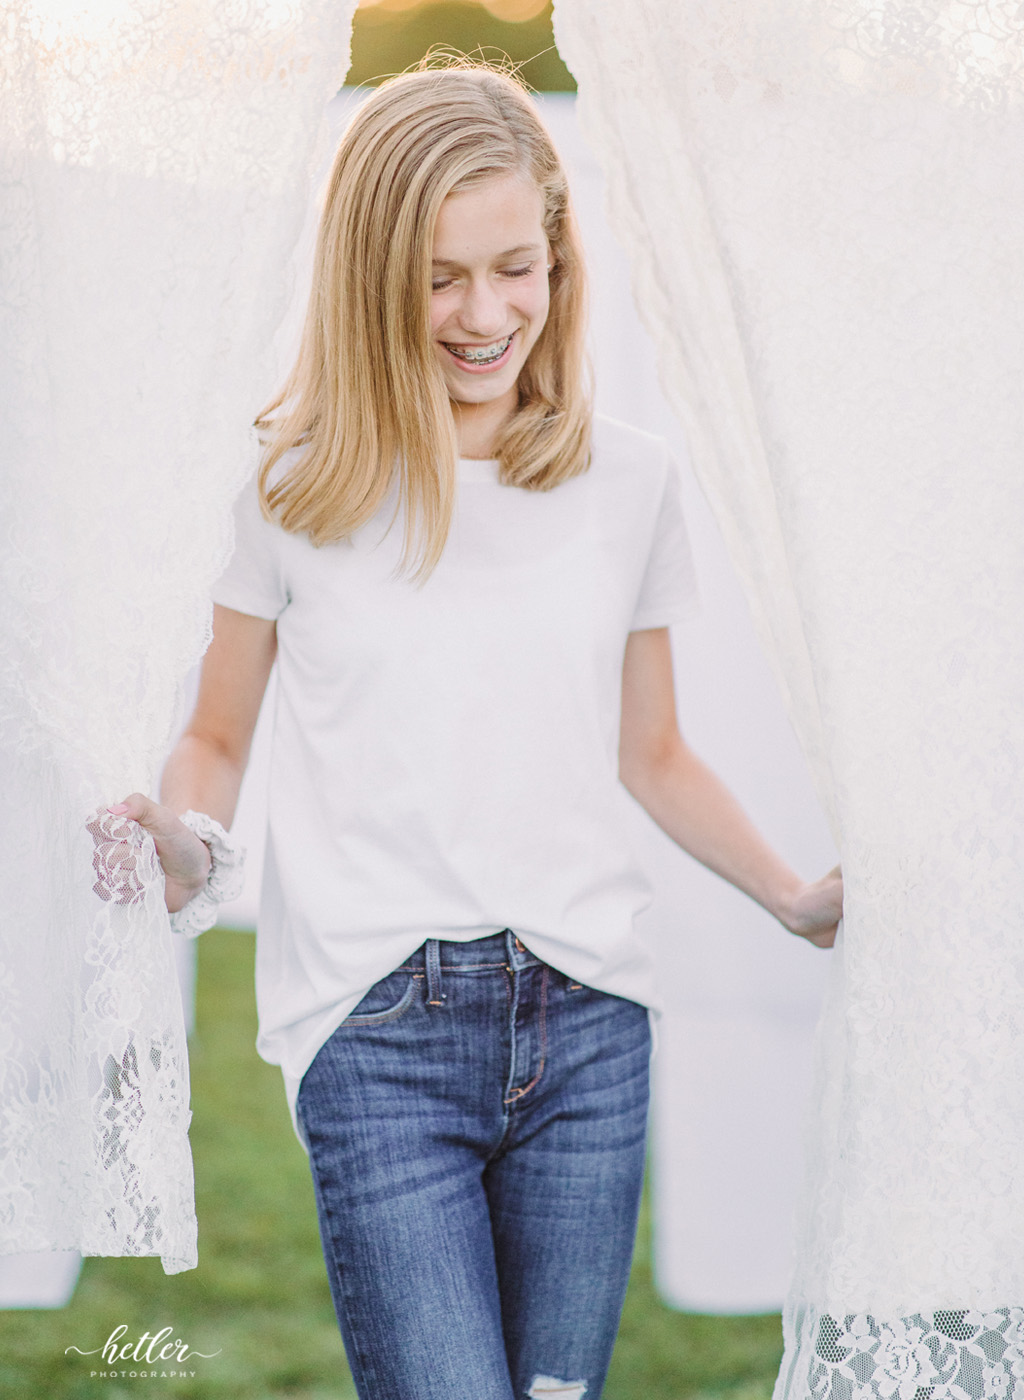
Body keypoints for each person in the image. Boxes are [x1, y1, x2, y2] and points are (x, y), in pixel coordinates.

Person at [109, 62, 842, 1400]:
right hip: (377, 1033)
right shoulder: (290, 487)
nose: (485, 313)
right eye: (441, 276)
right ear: (369, 274)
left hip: (592, 1025)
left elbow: (654, 753)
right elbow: (214, 739)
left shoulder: (630, 484)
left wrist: (793, 899)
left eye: (517, 267)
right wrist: (186, 839)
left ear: (560, 259)